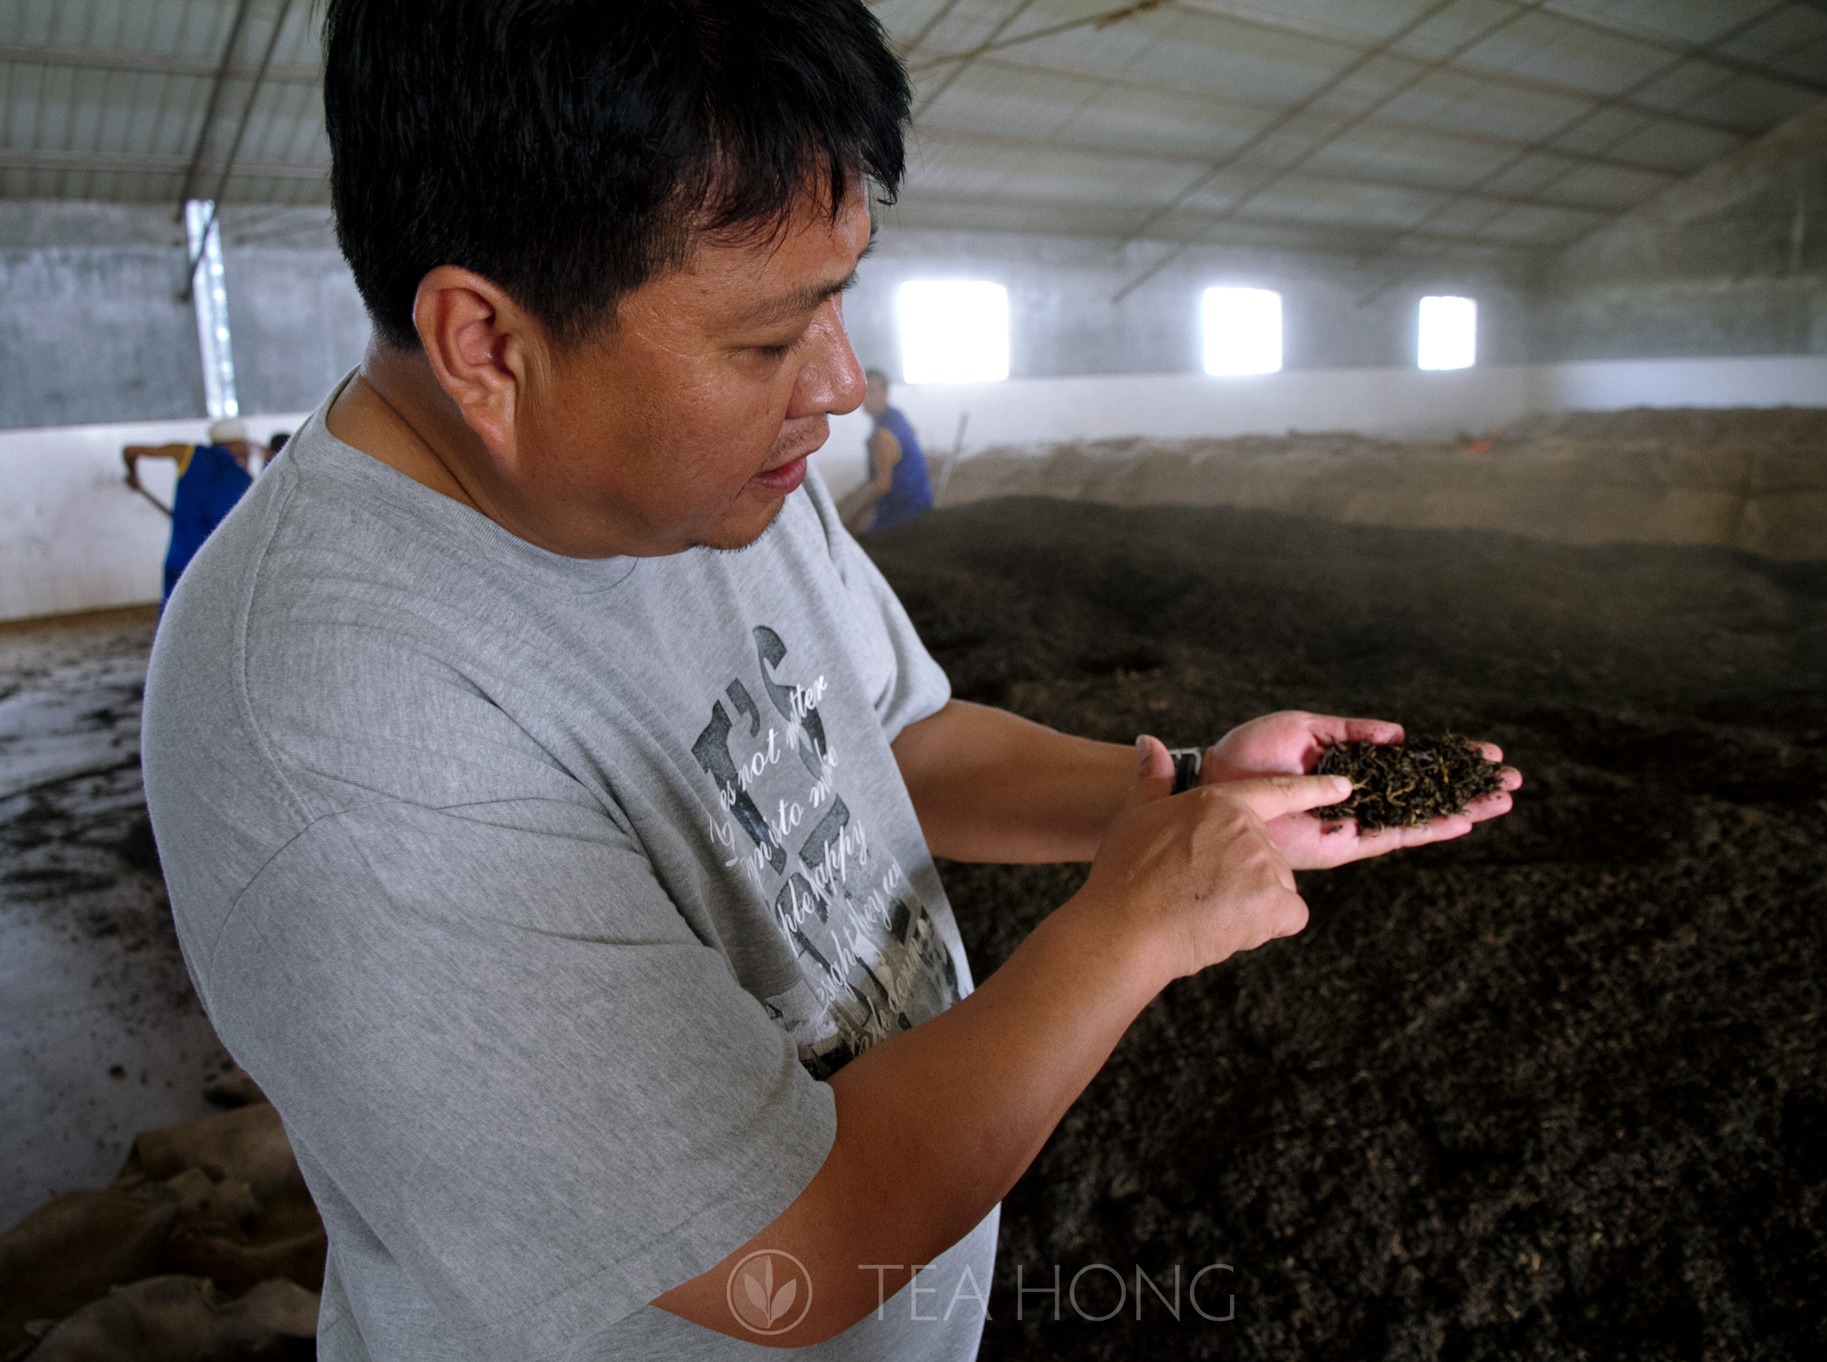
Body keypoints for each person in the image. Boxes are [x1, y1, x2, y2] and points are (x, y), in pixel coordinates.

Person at [140, 3, 1518, 1360]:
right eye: (764, 339)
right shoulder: (336, 728)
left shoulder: (707, 476)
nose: (841, 384)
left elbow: (894, 736)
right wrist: (1137, 926)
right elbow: (786, 1255)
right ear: (488, 345)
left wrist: (1177, 796)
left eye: (837, 300)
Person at [122, 418, 257, 604]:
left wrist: (133, 475)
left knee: (172, 616)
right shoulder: (245, 479)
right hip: (221, 566)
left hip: (181, 560)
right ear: (241, 444)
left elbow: (130, 450)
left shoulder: (187, 453)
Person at [840, 368, 933, 533]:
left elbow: (883, 485)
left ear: (885, 393)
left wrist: (852, 521)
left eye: (872, 392)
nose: (866, 398)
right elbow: (910, 432)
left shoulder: (882, 437)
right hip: (922, 503)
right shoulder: (895, 415)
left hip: (903, 514)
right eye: (863, 392)